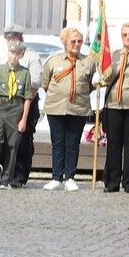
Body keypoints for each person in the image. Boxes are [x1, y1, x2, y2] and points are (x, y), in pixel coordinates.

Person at [38, 25, 95, 190]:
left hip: (78, 108)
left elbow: (90, 84)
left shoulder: (87, 62)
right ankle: (56, 177)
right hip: (56, 108)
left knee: (73, 143)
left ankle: (70, 177)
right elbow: (46, 83)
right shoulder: (54, 61)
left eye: (79, 41)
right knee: (58, 142)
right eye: (73, 41)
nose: (76, 44)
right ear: (65, 42)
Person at [96, 22, 129, 193]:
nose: (128, 37)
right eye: (125, 34)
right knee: (114, 144)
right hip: (114, 105)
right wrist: (99, 77)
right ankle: (112, 182)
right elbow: (106, 77)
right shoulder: (113, 56)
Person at [0, 31, 35, 189]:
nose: (14, 56)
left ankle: (6, 178)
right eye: (11, 52)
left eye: (17, 53)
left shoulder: (24, 73)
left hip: (16, 107)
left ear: (21, 55)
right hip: (1, 106)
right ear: (8, 52)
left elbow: (27, 98)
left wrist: (23, 119)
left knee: (13, 144)